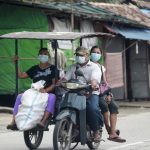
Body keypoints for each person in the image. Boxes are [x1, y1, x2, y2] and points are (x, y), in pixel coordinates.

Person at [7, 47, 58, 130]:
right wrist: (16, 63)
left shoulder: (53, 69)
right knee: (20, 96)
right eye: (41, 54)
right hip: (34, 91)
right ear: (38, 56)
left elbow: (54, 84)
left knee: (53, 97)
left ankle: (43, 121)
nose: (43, 55)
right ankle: (13, 121)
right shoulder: (34, 68)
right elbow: (21, 76)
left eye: (45, 54)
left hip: (46, 92)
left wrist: (45, 90)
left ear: (48, 56)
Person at [64, 46, 104, 142]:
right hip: (74, 92)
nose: (78, 57)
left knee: (92, 108)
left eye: (81, 55)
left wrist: (93, 84)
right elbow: (65, 78)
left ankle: (96, 131)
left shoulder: (95, 67)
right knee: (64, 105)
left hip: (90, 92)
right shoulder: (73, 67)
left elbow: (94, 79)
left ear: (87, 56)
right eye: (77, 55)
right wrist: (61, 82)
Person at [90, 46, 126, 143]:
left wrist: (109, 94)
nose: (96, 54)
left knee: (113, 105)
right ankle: (109, 130)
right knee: (103, 105)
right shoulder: (88, 65)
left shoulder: (101, 67)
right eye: (94, 52)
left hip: (102, 92)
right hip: (92, 92)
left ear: (101, 55)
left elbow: (105, 82)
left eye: (98, 52)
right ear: (90, 54)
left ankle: (112, 131)